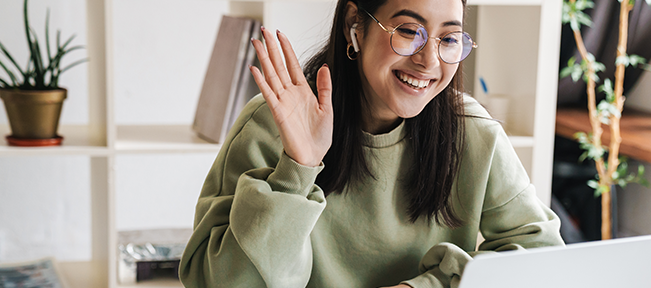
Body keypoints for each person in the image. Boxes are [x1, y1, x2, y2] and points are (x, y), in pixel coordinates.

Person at [178, 0, 564, 287]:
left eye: (449, 38)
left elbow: (544, 258)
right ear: (355, 26)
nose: (430, 61)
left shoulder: (472, 131)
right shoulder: (272, 124)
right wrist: (297, 169)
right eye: (409, 32)